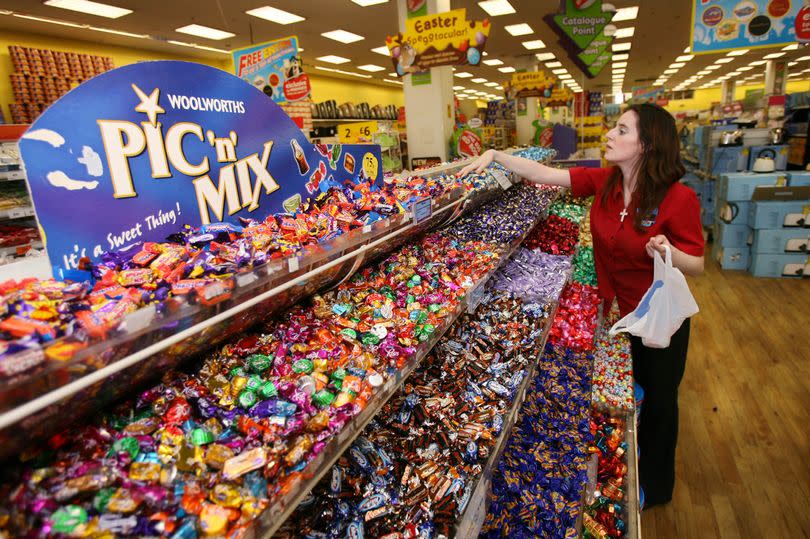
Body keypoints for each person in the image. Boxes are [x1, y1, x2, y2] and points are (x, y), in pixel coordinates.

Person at [459, 103, 704, 508]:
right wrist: (495, 156)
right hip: (617, 313)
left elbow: (697, 264)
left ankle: (657, 487)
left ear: (646, 145)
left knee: (661, 400)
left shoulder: (679, 199)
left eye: (621, 130)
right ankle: (627, 461)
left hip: (661, 318)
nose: (609, 134)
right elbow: (543, 173)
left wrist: (668, 250)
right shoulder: (606, 182)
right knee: (631, 396)